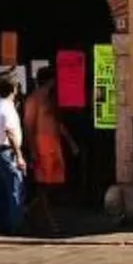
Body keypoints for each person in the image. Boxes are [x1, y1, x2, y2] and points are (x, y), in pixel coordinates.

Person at [23, 66, 80, 234]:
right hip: (42, 147)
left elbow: (58, 123)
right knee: (44, 186)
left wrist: (71, 142)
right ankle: (48, 220)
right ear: (50, 81)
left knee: (55, 183)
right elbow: (28, 126)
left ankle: (32, 211)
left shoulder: (51, 99)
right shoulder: (34, 100)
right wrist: (32, 150)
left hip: (53, 147)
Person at [0, 75, 26, 235]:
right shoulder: (7, 109)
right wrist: (20, 156)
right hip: (7, 152)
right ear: (13, 90)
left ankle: (0, 223)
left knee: (1, 190)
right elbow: (9, 132)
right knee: (15, 188)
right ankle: (15, 225)